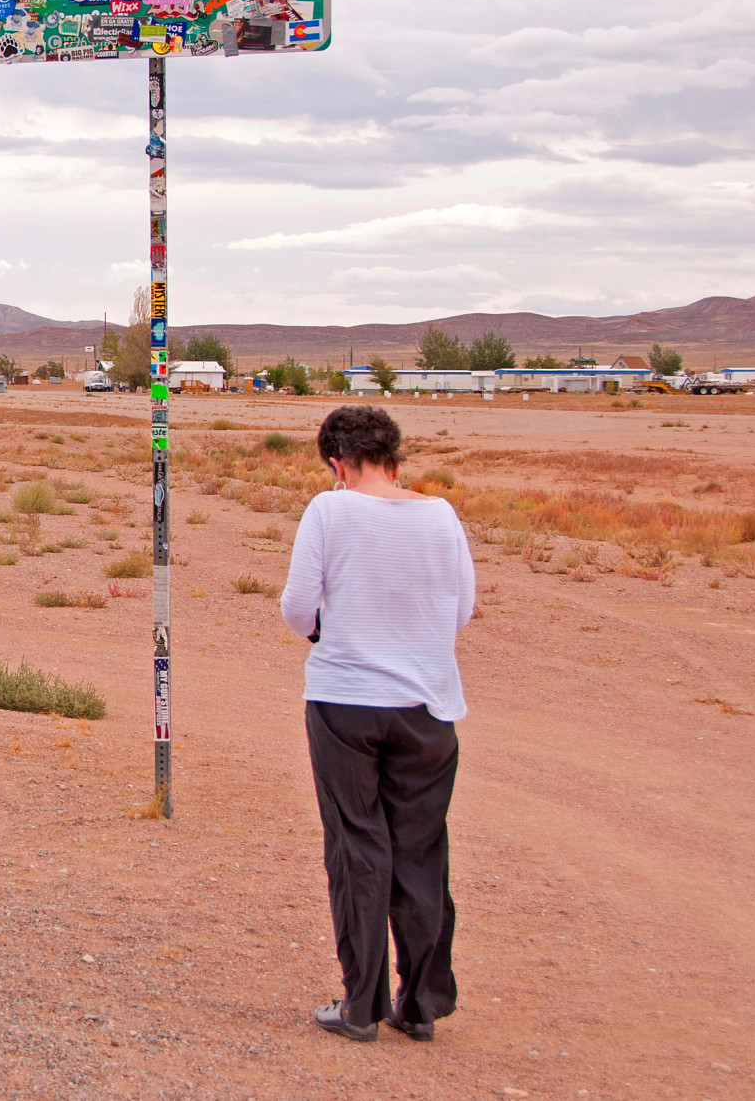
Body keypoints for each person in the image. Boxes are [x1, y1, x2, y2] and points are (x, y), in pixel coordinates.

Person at [279, 404, 475, 1042]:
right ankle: (421, 1004)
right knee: (421, 850)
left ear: (338, 462)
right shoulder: (441, 516)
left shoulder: (329, 511)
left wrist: (325, 631)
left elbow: (297, 607)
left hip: (345, 700)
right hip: (427, 706)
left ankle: (360, 1004)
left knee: (357, 846)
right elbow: (463, 608)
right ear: (393, 458)